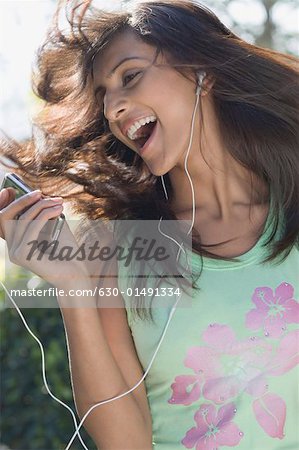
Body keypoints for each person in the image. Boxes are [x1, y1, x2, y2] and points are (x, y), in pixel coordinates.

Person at [0, 0, 298, 448]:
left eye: (130, 76)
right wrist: (72, 287)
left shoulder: (292, 203)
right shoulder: (116, 245)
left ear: (201, 70)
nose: (115, 107)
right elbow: (125, 442)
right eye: (104, 98)